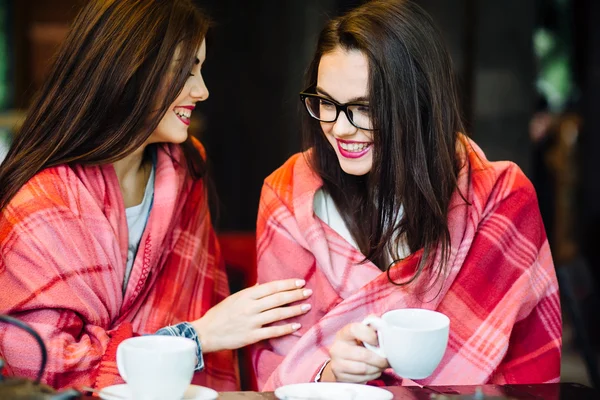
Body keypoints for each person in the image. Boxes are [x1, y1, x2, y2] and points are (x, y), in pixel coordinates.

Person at [0, 0, 312, 392]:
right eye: (185, 71)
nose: (201, 90)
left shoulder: (183, 168)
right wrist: (192, 339)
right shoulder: (40, 205)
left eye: (200, 69)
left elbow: (200, 299)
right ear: (128, 72)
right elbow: (40, 367)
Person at [252, 0, 562, 390]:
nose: (340, 128)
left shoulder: (502, 199)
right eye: (326, 103)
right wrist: (329, 371)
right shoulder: (287, 196)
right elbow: (273, 366)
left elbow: (529, 372)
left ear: (420, 104)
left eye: (365, 108)